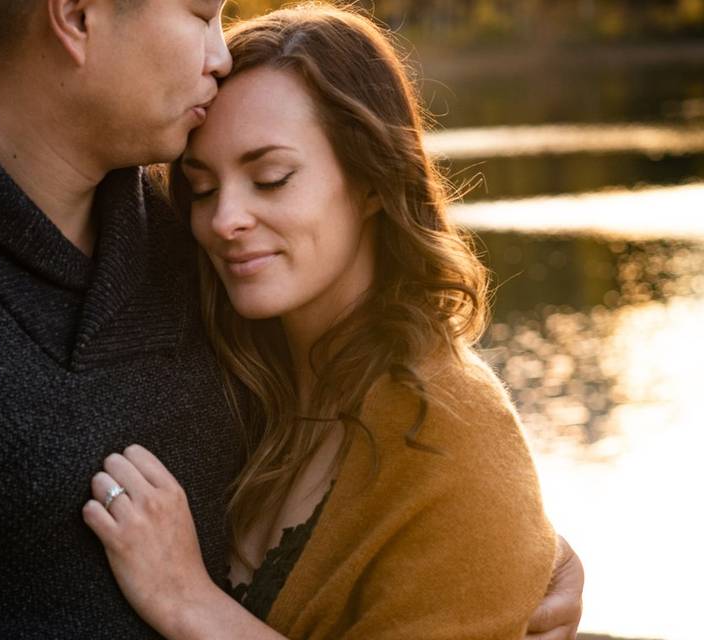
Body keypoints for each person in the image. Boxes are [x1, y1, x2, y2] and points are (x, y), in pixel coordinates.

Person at [0, 1, 581, 638]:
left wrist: (516, 552)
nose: (220, 51)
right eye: (200, 13)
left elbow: (397, 460)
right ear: (75, 15)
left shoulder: (185, 239)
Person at [82, 4, 581, 639]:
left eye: (271, 178)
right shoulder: (242, 382)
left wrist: (186, 601)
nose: (223, 218)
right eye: (203, 188)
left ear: (374, 181)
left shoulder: (454, 425)